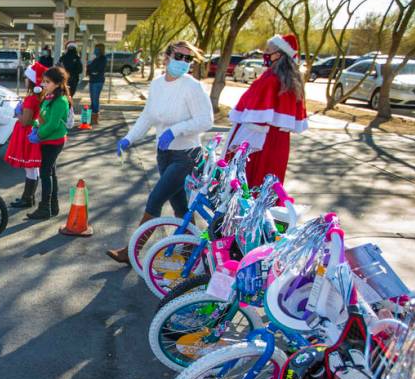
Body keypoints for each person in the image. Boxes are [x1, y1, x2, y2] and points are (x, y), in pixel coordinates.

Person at [107, 40, 213, 264]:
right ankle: (189, 249)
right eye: (179, 56)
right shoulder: (156, 84)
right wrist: (129, 138)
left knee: (155, 200)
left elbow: (206, 120)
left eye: (188, 58)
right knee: (180, 206)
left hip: (187, 155)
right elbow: (148, 116)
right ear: (166, 57)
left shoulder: (192, 86)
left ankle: (131, 251)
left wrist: (176, 131)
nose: (183, 62)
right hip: (164, 154)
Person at [227, 33, 308, 188]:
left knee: (251, 183)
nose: (265, 53)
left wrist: (238, 145)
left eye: (268, 49)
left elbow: (256, 120)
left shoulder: (270, 79)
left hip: (260, 141)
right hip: (278, 142)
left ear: (278, 54)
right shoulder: (291, 80)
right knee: (268, 187)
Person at [25, 66, 71, 220]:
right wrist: (36, 126)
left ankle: (45, 208)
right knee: (51, 172)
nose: (44, 84)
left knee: (45, 173)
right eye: (43, 81)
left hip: (53, 141)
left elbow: (53, 125)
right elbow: (43, 117)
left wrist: (39, 134)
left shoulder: (60, 100)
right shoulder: (49, 96)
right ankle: (53, 205)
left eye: (48, 82)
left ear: (58, 84)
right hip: (47, 140)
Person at [4, 61, 48, 208]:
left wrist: (18, 113)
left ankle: (27, 199)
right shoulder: (41, 96)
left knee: (30, 168)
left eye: (27, 77)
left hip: (27, 134)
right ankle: (28, 198)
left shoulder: (31, 99)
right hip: (34, 132)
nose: (25, 80)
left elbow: (25, 121)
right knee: (33, 168)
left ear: (32, 81)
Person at [86, 43, 107, 126]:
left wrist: (92, 69)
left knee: (95, 98)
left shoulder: (103, 59)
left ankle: (95, 117)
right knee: (93, 98)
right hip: (92, 80)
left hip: (98, 81)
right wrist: (91, 69)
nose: (95, 50)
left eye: (96, 49)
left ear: (100, 50)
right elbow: (89, 69)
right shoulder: (95, 58)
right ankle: (92, 116)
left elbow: (98, 69)